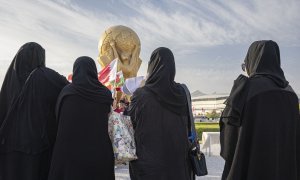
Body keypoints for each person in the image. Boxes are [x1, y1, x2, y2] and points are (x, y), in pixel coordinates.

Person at [220, 40, 300, 180]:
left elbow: (229, 140)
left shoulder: (247, 88)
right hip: (284, 169)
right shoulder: (291, 93)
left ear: (253, 61)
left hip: (252, 168)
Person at [0, 42, 68, 180]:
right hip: (37, 149)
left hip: (8, 147)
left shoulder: (9, 82)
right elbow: (68, 88)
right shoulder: (45, 76)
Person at [127, 47, 194, 180]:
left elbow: (130, 126)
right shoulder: (182, 93)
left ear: (151, 67)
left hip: (148, 167)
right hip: (178, 165)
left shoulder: (140, 95)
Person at [48, 56, 115, 180]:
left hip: (70, 154)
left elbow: (58, 118)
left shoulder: (67, 92)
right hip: (99, 153)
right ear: (93, 71)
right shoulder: (105, 94)